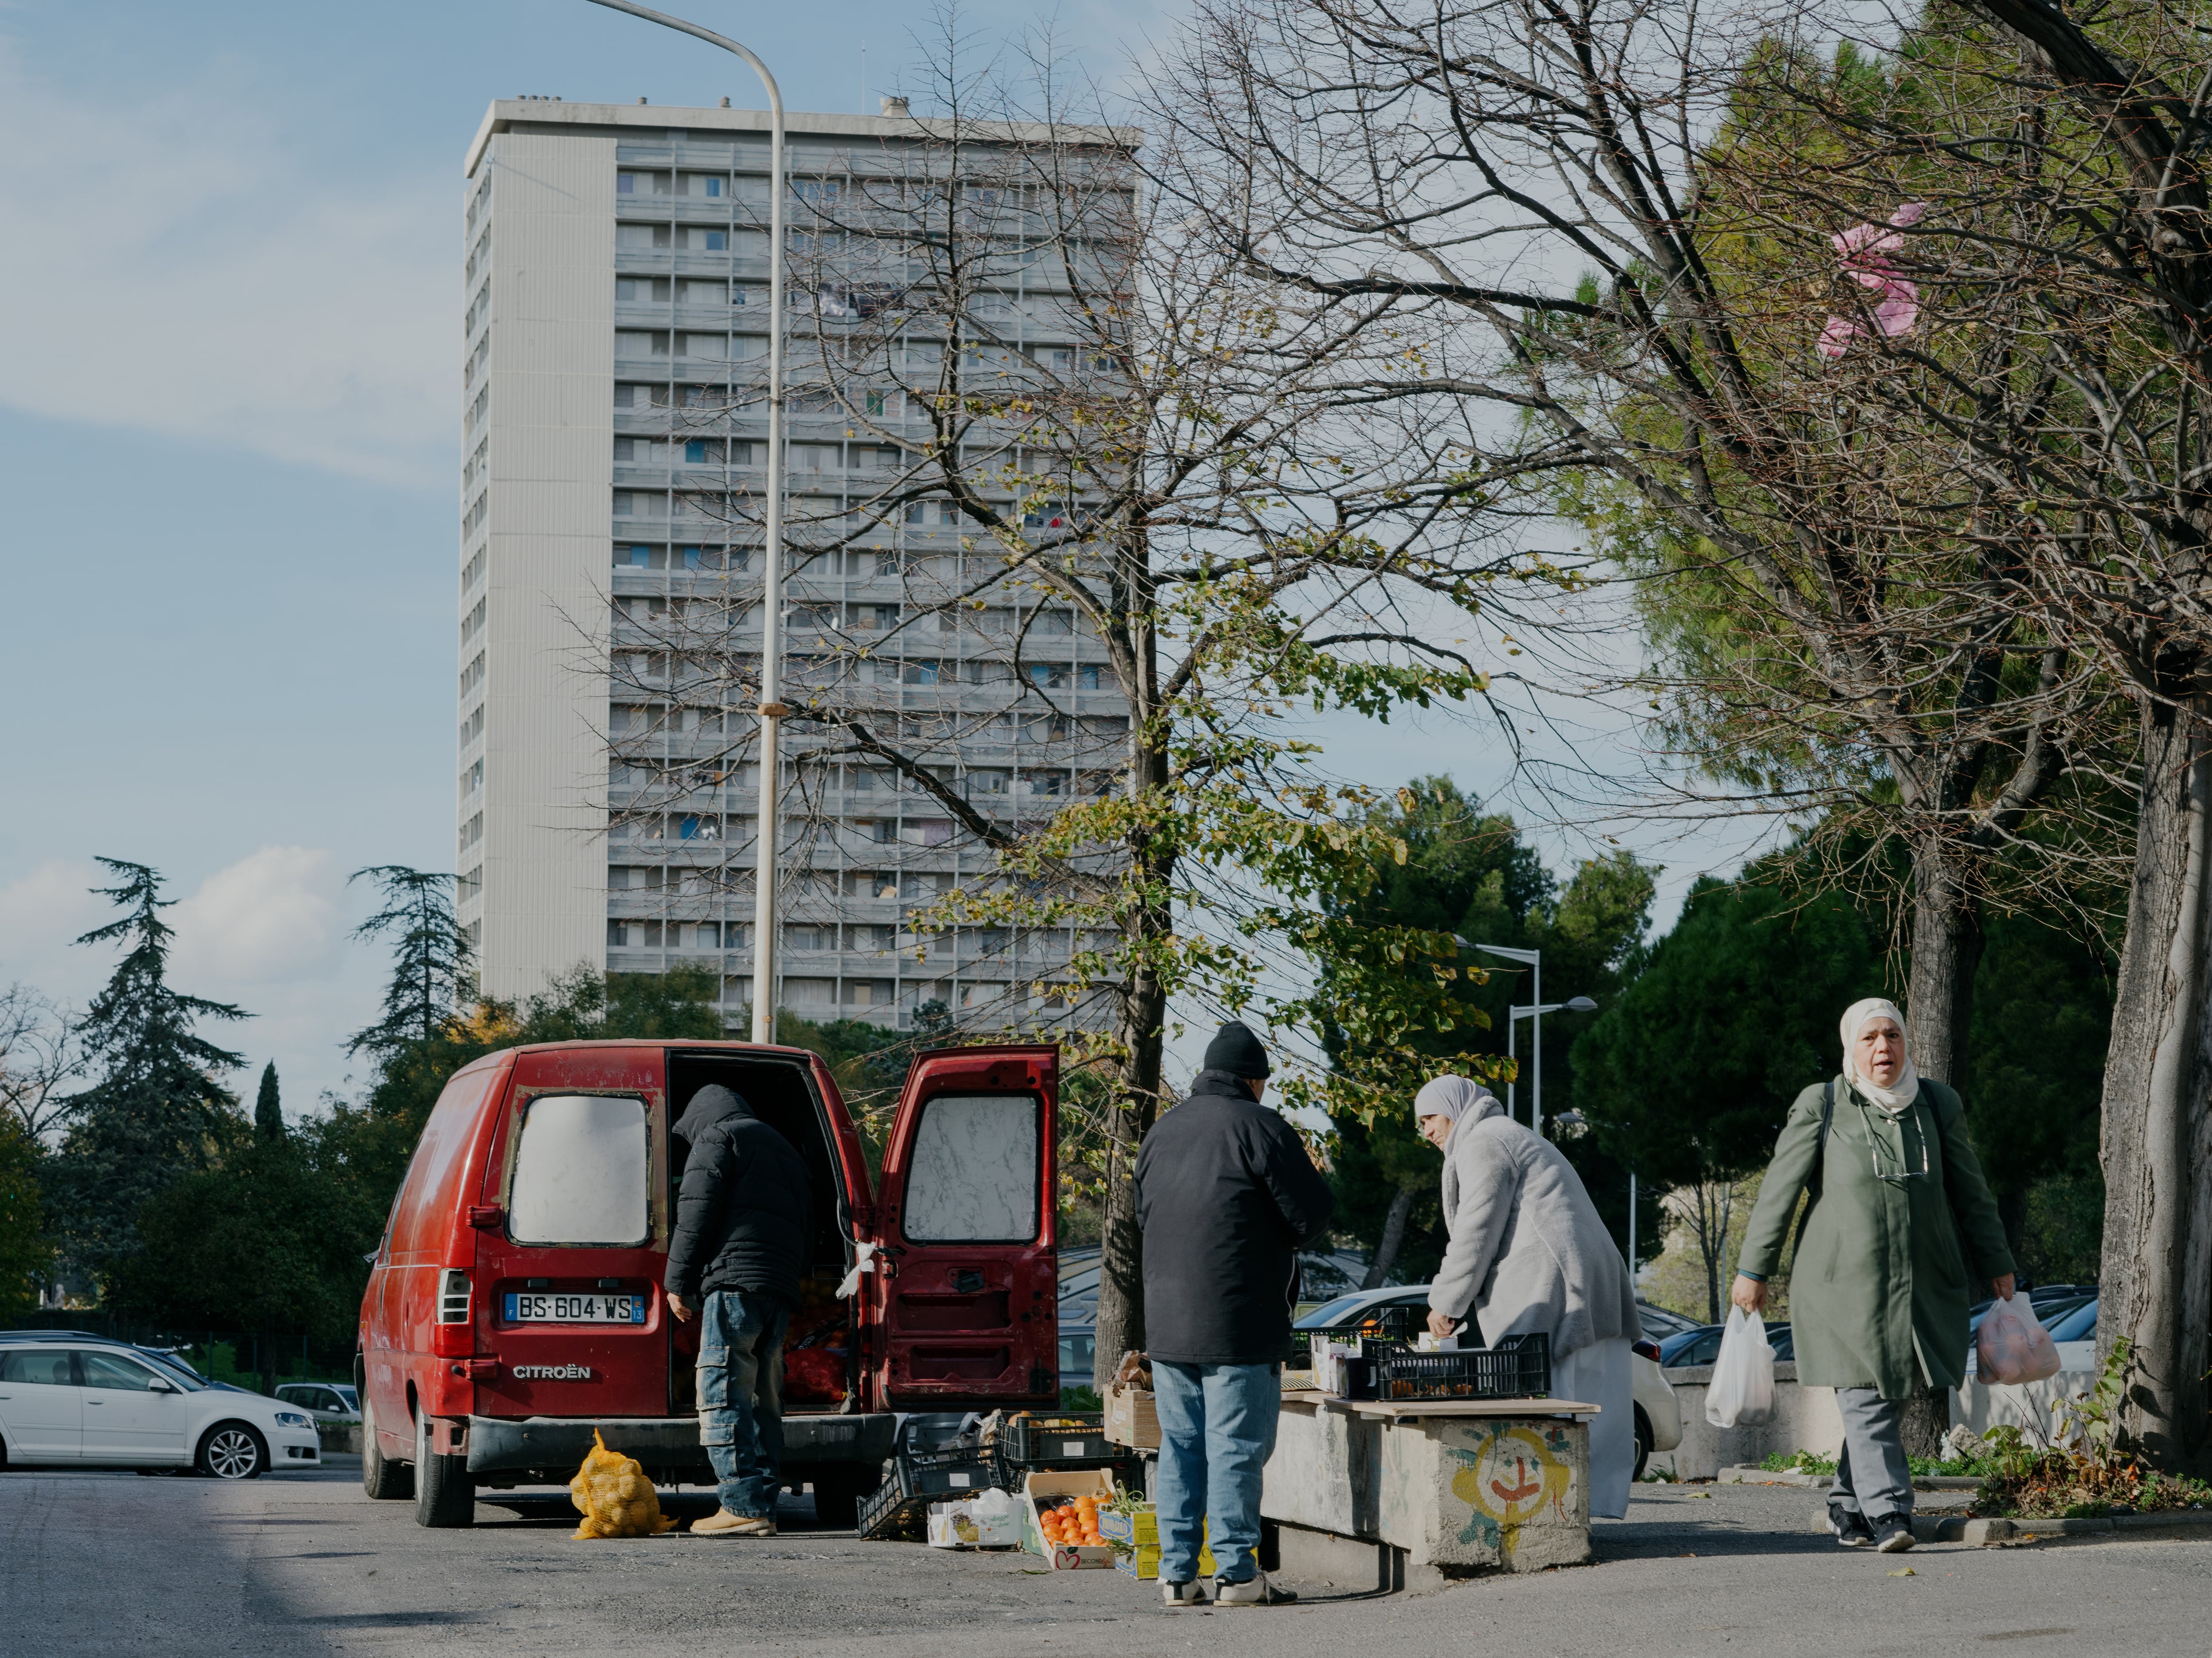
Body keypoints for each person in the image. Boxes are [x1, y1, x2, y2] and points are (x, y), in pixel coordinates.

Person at [1733, 998, 2016, 1554]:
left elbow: (1971, 1191)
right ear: (1850, 1047)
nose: (1882, 1047)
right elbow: (1778, 1192)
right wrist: (1752, 1270)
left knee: (1891, 1398)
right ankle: (1890, 1512)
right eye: (1869, 1038)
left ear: (1905, 1042)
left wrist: (1996, 1262)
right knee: (1865, 1395)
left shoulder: (1935, 1103)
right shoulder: (1823, 1104)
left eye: (1891, 1035)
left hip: (1922, 1282)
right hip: (1841, 1287)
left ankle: (1845, 1502)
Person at [1137, 1020, 1333, 1609]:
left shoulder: (1161, 1132)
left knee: (1180, 1446)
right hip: (1239, 1321)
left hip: (1167, 1324)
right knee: (1236, 1448)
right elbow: (1311, 1216)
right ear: (1254, 1080)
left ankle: (1177, 1576)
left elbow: (1143, 1216)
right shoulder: (1261, 1126)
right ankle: (1237, 1575)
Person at [1415, 1074, 1643, 1518]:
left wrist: (1445, 1300)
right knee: (1593, 1406)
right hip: (1589, 1278)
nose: (1425, 1131)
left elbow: (1476, 1229)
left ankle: (1551, 1519)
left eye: (1430, 1118)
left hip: (1553, 1287)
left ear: (1455, 1108)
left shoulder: (1483, 1141)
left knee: (1547, 1406)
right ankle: (1579, 1512)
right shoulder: (1510, 1133)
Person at [664, 1082, 814, 1538]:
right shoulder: (785, 1149)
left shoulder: (718, 1137)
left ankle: (740, 1504)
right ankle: (762, 1504)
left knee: (723, 1391)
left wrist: (677, 1283)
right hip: (778, 1288)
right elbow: (808, 1224)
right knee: (764, 1401)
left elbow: (695, 1214)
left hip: (733, 1285)